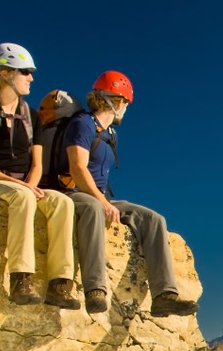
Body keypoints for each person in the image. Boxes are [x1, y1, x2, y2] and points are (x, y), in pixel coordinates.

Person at [59, 71, 197, 317]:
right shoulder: (83, 124)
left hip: (101, 195)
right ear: (116, 101)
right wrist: (102, 202)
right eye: (125, 103)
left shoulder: (111, 134)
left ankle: (164, 294)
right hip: (75, 193)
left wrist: (104, 200)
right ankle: (95, 289)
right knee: (93, 210)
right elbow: (77, 168)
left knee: (154, 220)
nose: (125, 109)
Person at [0, 43, 78, 308]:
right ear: (5, 74)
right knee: (23, 198)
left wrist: (29, 184)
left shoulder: (31, 116)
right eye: (25, 71)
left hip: (23, 183)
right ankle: (20, 279)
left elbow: (37, 164)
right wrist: (20, 185)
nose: (31, 77)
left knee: (63, 202)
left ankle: (60, 283)